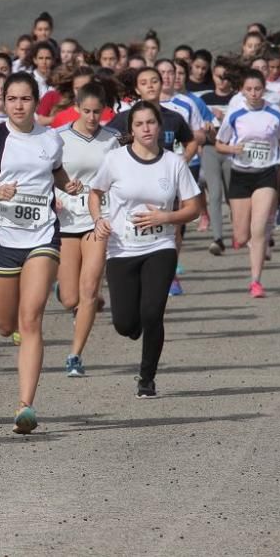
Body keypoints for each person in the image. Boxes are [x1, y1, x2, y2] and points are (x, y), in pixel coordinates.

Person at [0, 72, 74, 434]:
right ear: (4, 102)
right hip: (2, 239)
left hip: (42, 236)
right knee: (6, 325)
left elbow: (55, 172)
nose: (19, 105)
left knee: (32, 318)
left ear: (36, 102)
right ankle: (6, 324)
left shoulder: (50, 139)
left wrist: (70, 185)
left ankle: (26, 406)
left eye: (25, 99)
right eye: (13, 99)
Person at [89, 101, 201, 398]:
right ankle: (134, 325)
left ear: (160, 126)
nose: (146, 129)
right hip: (122, 248)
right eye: (139, 124)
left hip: (160, 245)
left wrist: (167, 217)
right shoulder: (114, 160)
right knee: (125, 323)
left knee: (152, 312)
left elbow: (194, 208)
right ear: (131, 129)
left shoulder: (174, 163)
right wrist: (98, 218)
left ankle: (147, 377)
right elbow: (95, 193)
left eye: (151, 122)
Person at [53, 84, 120, 376]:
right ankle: (75, 299)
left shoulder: (112, 140)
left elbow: (120, 179)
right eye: (87, 111)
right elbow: (44, 173)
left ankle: (75, 355)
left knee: (89, 289)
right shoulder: (58, 138)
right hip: (66, 220)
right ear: (77, 108)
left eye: (98, 112)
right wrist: (54, 194)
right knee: (70, 298)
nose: (92, 117)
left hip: (98, 220)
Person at [215, 70, 280, 297]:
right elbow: (219, 143)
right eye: (249, 89)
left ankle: (256, 282)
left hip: (266, 173)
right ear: (242, 91)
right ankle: (246, 229)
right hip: (240, 174)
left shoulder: (275, 112)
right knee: (241, 236)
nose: (254, 93)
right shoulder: (235, 113)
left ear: (263, 89)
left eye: (258, 89)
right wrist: (231, 149)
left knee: (257, 231)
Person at [200, 59, 234, 255]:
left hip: (231, 150)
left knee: (232, 196)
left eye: (225, 76)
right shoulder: (204, 99)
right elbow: (197, 124)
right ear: (212, 76)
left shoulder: (238, 98)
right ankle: (217, 238)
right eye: (218, 76)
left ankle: (239, 232)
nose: (222, 80)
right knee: (214, 194)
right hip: (210, 149)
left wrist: (224, 119)